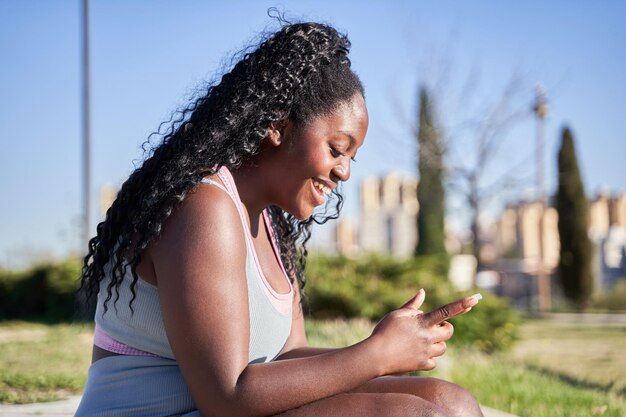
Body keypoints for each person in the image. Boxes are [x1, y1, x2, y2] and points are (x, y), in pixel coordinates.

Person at [75, 20, 484, 417]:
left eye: (352, 158)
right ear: (278, 126)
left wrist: (386, 346)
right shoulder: (203, 206)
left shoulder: (270, 222)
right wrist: (373, 356)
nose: (345, 172)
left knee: (453, 404)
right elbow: (227, 398)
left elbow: (289, 355)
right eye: (337, 149)